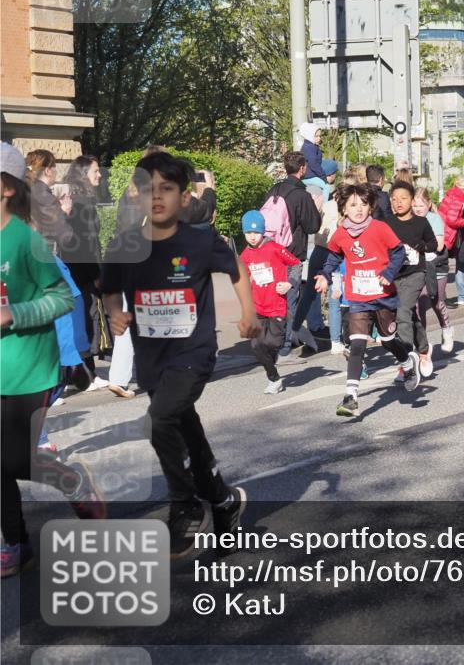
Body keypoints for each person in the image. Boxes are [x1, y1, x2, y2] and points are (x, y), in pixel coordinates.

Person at [101, 151, 257, 559]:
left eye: (166, 189)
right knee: (185, 430)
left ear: (183, 197)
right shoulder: (125, 244)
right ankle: (223, 503)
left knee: (160, 420)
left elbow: (237, 271)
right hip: (152, 357)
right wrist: (115, 312)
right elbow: (109, 287)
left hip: (194, 350)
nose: (157, 198)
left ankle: (184, 504)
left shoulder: (201, 239)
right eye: (148, 190)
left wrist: (249, 313)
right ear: (136, 195)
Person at [1, 143, 105, 578]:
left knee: (10, 460)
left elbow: (63, 297)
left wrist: (16, 314)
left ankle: (73, 482)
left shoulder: (26, 240)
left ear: (5, 187)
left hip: (29, 364)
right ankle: (16, 543)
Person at [315, 183, 422, 418]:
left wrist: (388, 273)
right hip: (358, 298)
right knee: (357, 346)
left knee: (387, 341)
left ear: (371, 207)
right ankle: (351, 397)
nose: (359, 209)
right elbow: (333, 255)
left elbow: (399, 252)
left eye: (363, 204)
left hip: (384, 296)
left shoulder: (379, 228)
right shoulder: (341, 233)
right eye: (353, 205)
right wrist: (324, 275)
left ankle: (407, 363)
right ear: (343, 208)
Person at [264, 151, 322, 361]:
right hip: (291, 254)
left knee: (270, 297)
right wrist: (315, 208)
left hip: (269, 252)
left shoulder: (274, 190)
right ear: (303, 168)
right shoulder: (302, 195)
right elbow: (313, 225)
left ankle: (270, 339)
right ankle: (284, 345)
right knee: (289, 300)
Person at [240, 210, 299, 395]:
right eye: (249, 233)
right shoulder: (246, 255)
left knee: (273, 344)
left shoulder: (274, 248)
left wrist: (289, 283)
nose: (253, 237)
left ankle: (274, 363)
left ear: (263, 231)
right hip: (258, 307)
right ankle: (273, 379)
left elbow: (296, 264)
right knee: (256, 346)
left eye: (256, 233)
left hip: (277, 307)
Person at [384, 181, 438, 381]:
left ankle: (406, 362)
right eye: (394, 199)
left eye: (403, 198)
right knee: (409, 315)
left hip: (416, 273)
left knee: (403, 312)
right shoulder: (386, 223)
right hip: (393, 275)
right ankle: (424, 349)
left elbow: (434, 245)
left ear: (412, 200)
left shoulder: (421, 222)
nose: (398, 202)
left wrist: (420, 245)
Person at [62, 155, 106, 382]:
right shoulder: (82, 202)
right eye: (95, 171)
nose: (99, 175)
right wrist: (96, 274)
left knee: (81, 320)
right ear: (83, 174)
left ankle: (83, 371)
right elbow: (87, 244)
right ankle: (87, 372)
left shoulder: (78, 198)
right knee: (86, 320)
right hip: (82, 270)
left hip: (75, 268)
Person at [413, 188, 455, 354]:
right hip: (418, 268)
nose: (417, 208)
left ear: (428, 204)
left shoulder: (434, 219)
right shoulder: (409, 221)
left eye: (421, 205)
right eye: (414, 205)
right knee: (419, 306)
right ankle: (422, 344)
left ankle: (446, 328)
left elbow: (439, 245)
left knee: (436, 302)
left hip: (436, 266)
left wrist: (417, 247)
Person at [439, 176, 464, 305]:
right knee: (442, 267)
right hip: (447, 234)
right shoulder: (459, 198)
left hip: (443, 231)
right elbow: (451, 220)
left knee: (441, 266)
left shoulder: (453, 194)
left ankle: (441, 296)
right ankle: (441, 298)